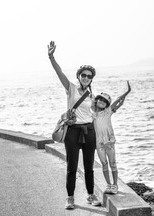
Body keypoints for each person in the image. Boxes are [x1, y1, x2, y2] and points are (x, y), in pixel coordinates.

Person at [47, 41, 102, 210]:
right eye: (83, 75)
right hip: (72, 132)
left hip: (89, 131)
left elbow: (96, 114)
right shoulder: (70, 88)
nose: (86, 77)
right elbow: (59, 72)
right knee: (72, 167)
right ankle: (70, 198)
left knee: (89, 167)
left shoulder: (92, 94)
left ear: (91, 78)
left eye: (89, 76)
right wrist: (51, 56)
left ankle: (90, 195)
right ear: (78, 76)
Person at [91, 81, 131, 194]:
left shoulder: (108, 111)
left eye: (105, 101)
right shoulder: (92, 114)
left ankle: (115, 185)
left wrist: (127, 92)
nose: (102, 102)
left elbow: (118, 100)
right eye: (100, 99)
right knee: (104, 164)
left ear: (107, 104)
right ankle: (108, 185)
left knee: (113, 163)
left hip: (109, 142)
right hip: (99, 144)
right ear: (96, 100)